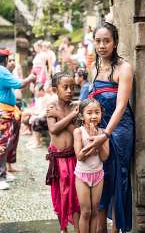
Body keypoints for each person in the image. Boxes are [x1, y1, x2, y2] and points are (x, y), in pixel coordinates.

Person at [82, 22, 135, 232]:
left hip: (119, 130)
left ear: (115, 43)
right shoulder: (93, 68)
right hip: (98, 128)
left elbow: (121, 106)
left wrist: (106, 134)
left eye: (107, 41)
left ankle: (117, 230)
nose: (102, 45)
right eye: (98, 41)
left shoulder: (124, 68)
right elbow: (90, 102)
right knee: (99, 177)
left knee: (117, 178)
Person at [45, 72, 80, 233]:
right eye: (65, 87)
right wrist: (68, 116)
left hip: (73, 157)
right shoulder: (51, 107)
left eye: (72, 87)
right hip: (58, 159)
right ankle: (63, 227)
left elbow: (77, 132)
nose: (69, 91)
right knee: (60, 194)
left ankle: (78, 227)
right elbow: (53, 128)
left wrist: (63, 115)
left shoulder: (75, 108)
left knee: (74, 194)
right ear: (55, 89)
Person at [0, 49, 36, 190]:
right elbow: (20, 84)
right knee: (2, 144)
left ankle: (4, 172)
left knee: (6, 142)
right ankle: (0, 175)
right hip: (3, 113)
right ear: (5, 59)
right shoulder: (2, 70)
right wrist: (31, 77)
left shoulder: (3, 71)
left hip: (7, 112)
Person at [73, 98, 109, 233]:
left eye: (97, 112)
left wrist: (98, 142)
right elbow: (80, 156)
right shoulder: (78, 132)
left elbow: (105, 157)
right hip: (82, 176)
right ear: (82, 116)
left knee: (95, 211)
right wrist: (91, 142)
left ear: (101, 114)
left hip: (98, 175)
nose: (94, 116)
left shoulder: (104, 133)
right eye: (89, 113)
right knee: (86, 211)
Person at [6, 54, 22, 173]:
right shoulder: (3, 75)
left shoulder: (15, 74)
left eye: (13, 60)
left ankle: (10, 165)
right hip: (7, 109)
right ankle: (4, 168)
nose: (12, 62)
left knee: (15, 136)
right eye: (10, 60)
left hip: (16, 106)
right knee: (7, 137)